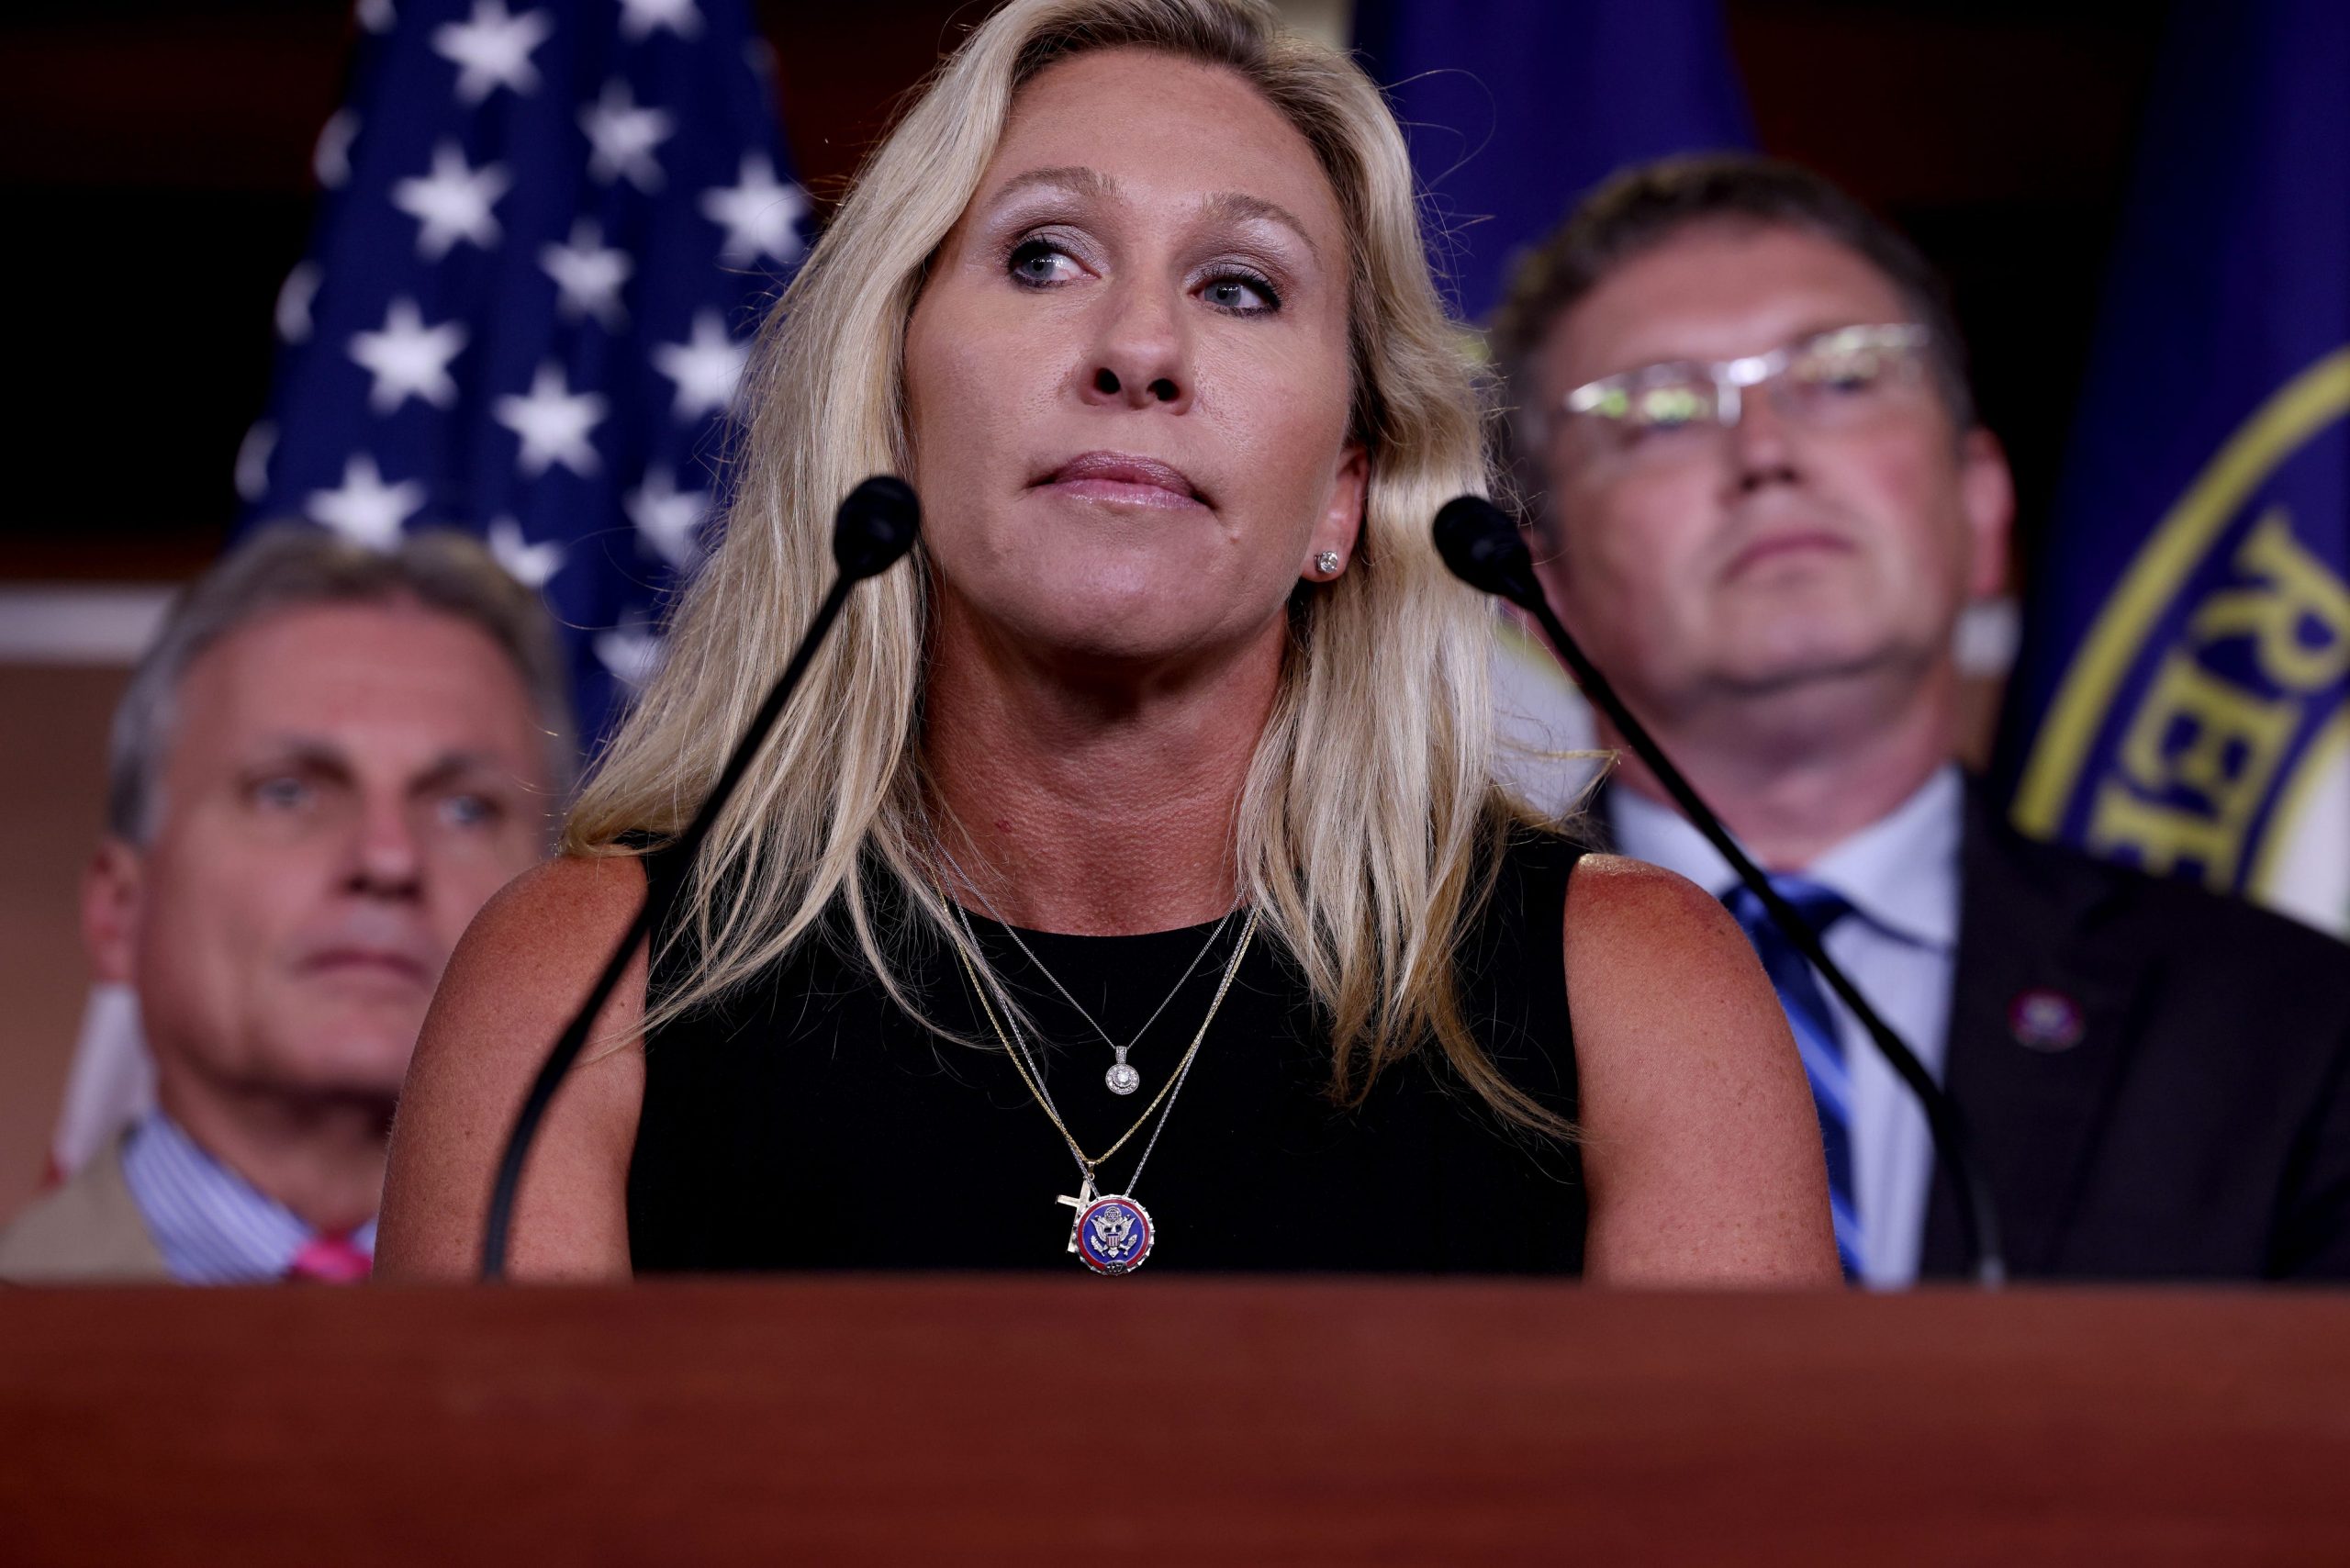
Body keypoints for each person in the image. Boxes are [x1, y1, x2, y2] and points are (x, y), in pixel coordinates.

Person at [377, 0, 1838, 1286]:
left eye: (1242, 286)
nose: (1140, 349)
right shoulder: (583, 987)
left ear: (1344, 492)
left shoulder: (1633, 991)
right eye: (1044, 258)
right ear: (888, 407)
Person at [1490, 153, 2350, 1283]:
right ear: (1541, 594)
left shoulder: (2288, 1025)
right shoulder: (1414, 1015)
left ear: (1982, 508)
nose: (1765, 453)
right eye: (1657, 409)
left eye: (1842, 376)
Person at [0, 529, 569, 1283]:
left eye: (466, 810)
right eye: (288, 792)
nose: (387, 859)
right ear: (119, 911)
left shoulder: (691, 1358)